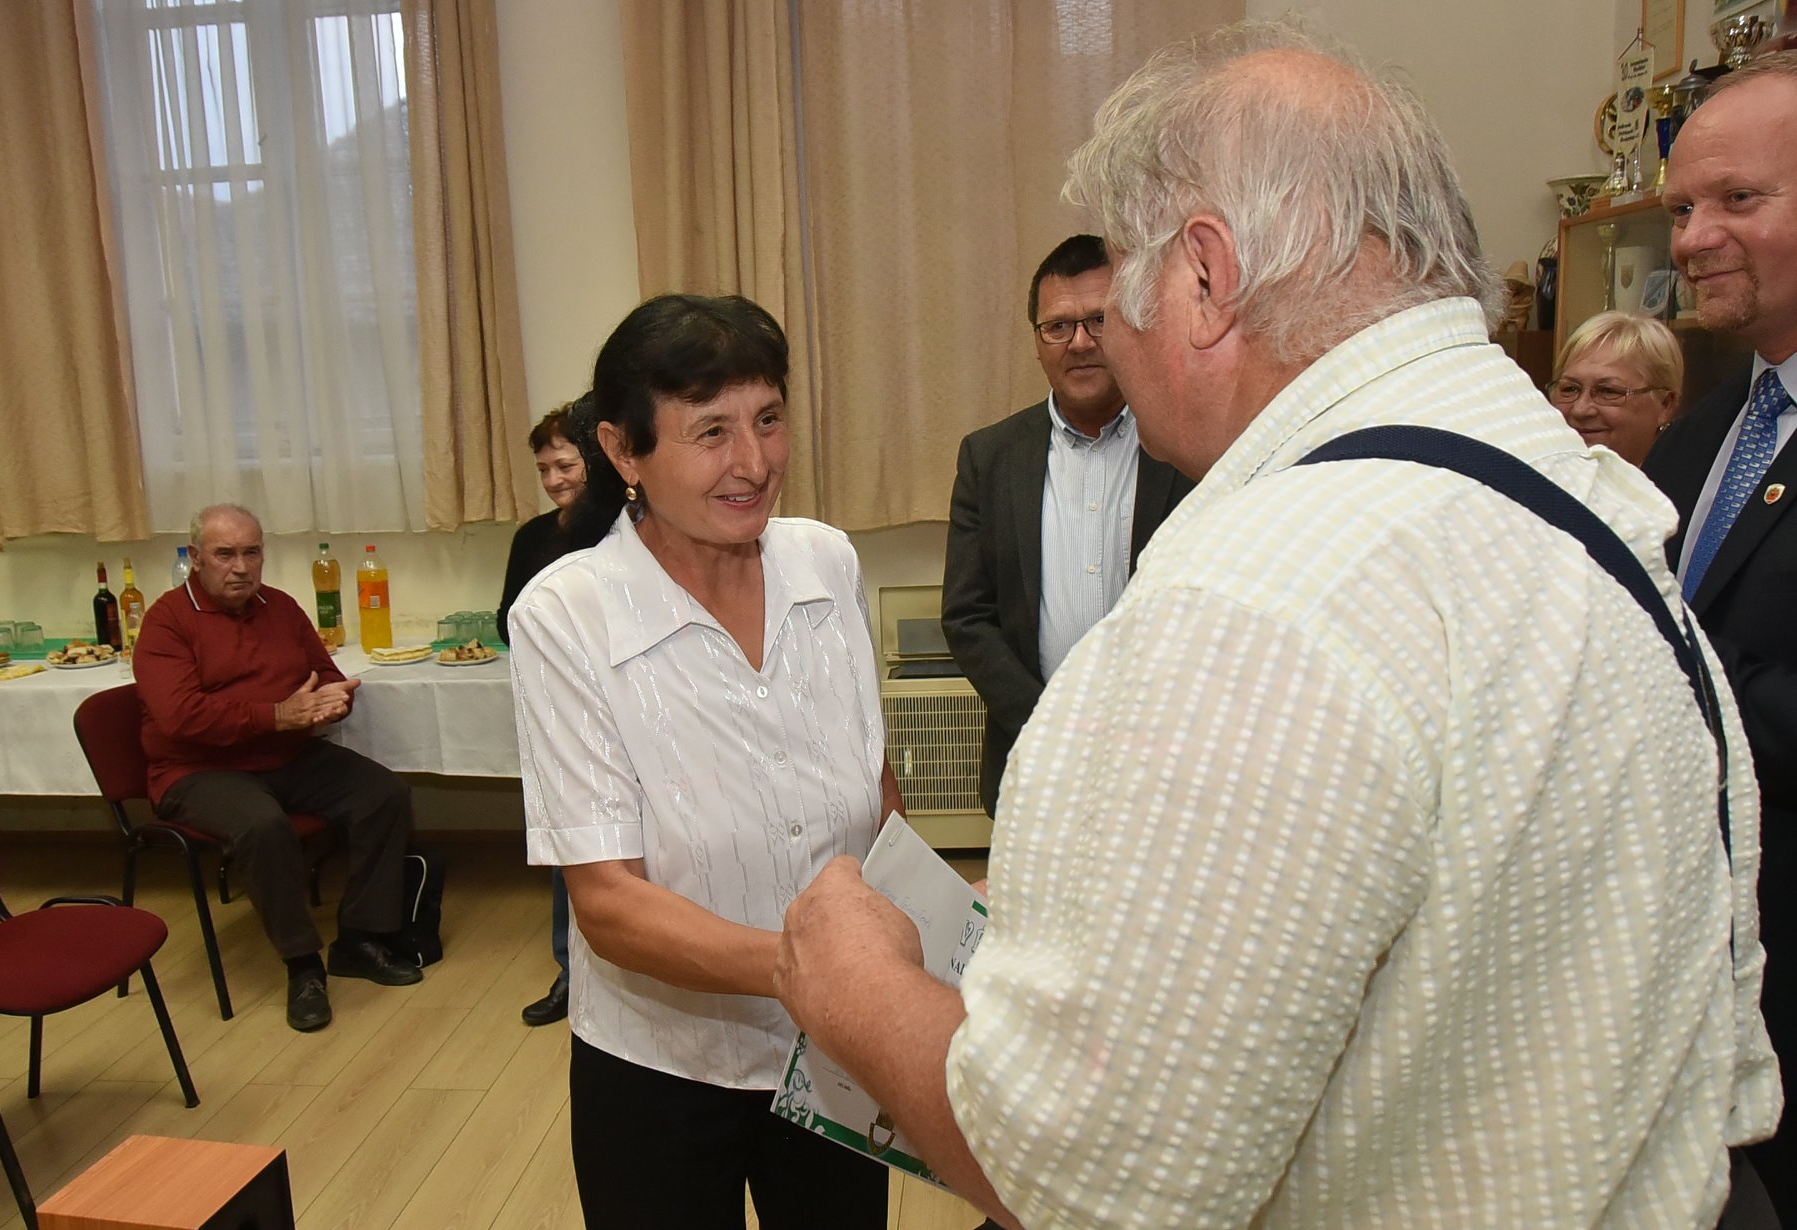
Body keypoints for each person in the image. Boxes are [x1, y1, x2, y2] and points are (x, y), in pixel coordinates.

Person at [774, 24, 1776, 1229]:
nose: (1113, 340)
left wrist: (858, 985)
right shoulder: (1566, 487)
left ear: (1204, 275)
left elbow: (1094, 1185)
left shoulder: (1260, 595)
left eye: (1123, 285)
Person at [506, 294, 900, 1228]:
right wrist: (810, 969)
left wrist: (922, 947)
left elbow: (876, 787)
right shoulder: (566, 616)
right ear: (624, 451)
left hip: (836, 1052)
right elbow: (609, 901)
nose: (754, 463)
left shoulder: (827, 563)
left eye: (769, 419)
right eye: (711, 431)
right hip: (662, 1070)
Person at [1650, 49, 1797, 1222]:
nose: (1693, 239)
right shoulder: (1703, 435)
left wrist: (1662, 665)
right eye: (1681, 208)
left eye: (1737, 199)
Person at [136, 504, 420, 1033]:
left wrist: (333, 700)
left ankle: (360, 937)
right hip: (197, 769)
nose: (241, 567)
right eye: (225, 554)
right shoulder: (167, 621)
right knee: (263, 826)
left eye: (252, 552)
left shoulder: (281, 607)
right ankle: (303, 965)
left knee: (383, 794)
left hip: (285, 755)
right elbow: (179, 717)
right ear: (196, 557)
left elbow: (325, 673)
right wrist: (277, 715)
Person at [942, 234, 1194, 815]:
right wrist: (1049, 723)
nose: (1079, 342)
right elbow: (967, 615)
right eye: (1058, 326)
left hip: (1164, 763)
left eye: (1099, 320)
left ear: (1133, 326)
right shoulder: (990, 456)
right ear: (1037, 342)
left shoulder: (1189, 447)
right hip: (1033, 759)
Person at [498, 399, 593, 1028]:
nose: (555, 480)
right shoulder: (532, 537)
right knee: (572, 840)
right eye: (544, 470)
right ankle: (572, 971)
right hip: (559, 709)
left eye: (565, 465)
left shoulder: (626, 528)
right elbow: (508, 620)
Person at [1548, 310, 1682, 466]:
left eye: (1608, 391)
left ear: (1665, 405)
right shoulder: (1534, 476)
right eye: (1570, 389)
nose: (1580, 410)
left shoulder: (1690, 480)